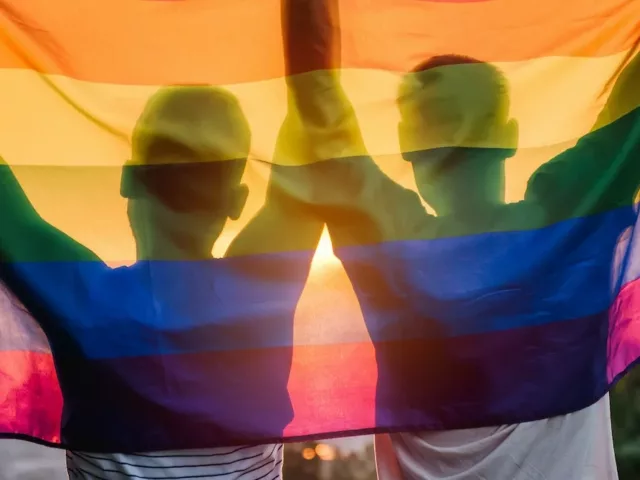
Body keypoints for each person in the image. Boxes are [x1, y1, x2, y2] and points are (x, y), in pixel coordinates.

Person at [278, 0, 639, 478]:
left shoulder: (389, 240)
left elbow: (315, 94)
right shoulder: (569, 218)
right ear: (509, 136)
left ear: (407, 146)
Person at [0, 85, 322, 479]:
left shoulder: (83, 303)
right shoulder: (264, 287)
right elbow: (317, 116)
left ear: (130, 180)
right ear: (235, 201)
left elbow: (9, 216)